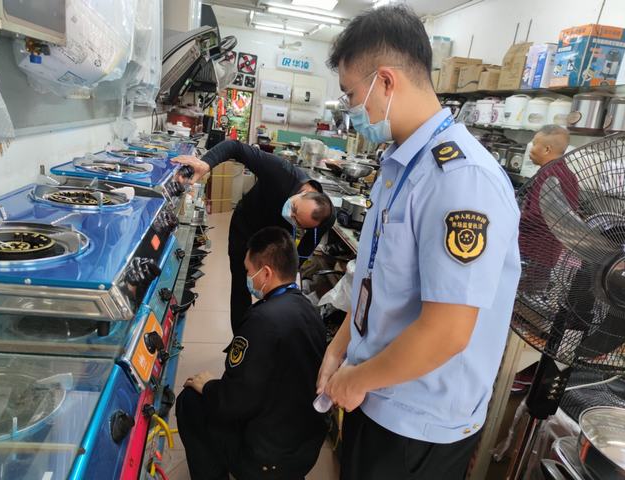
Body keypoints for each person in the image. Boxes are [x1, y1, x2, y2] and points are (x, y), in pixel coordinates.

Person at [315, 6, 521, 479]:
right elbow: (376, 279)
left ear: (386, 82)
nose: (352, 111)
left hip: (417, 423)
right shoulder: (402, 164)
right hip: (376, 391)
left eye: (352, 95)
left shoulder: (460, 179)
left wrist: (356, 379)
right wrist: (340, 347)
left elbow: (447, 332)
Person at [175, 227, 327, 480]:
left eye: (248, 271)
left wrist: (208, 386)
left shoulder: (261, 321)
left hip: (267, 460)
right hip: (305, 449)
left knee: (190, 402)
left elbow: (234, 402)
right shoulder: (310, 310)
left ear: (266, 273)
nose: (248, 278)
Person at [173, 141, 335, 330]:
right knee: (241, 283)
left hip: (276, 240)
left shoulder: (325, 218)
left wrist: (289, 273)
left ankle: (263, 335)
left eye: (298, 223)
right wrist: (206, 163)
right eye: (294, 209)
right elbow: (235, 147)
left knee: (276, 291)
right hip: (246, 226)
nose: (291, 216)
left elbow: (305, 249)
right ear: (305, 192)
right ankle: (240, 339)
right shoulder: (281, 172)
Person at [519, 125, 579, 292]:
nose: (531, 148)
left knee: (520, 294)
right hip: (548, 251)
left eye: (534, 143)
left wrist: (511, 217)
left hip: (533, 249)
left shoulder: (549, 175)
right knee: (533, 293)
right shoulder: (569, 175)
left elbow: (539, 215)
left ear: (547, 149)